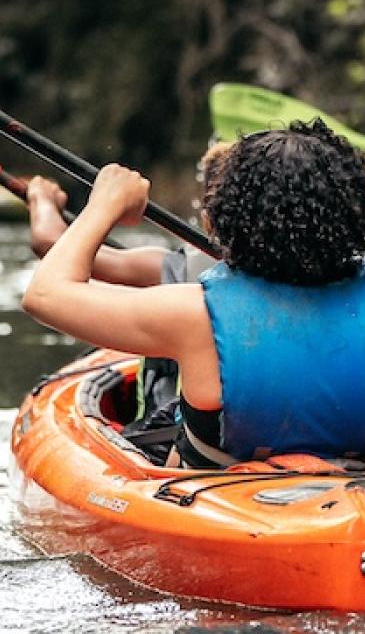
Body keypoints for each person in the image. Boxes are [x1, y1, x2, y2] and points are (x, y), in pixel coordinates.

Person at [22, 121, 365, 477]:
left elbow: (45, 294)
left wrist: (104, 205)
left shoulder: (191, 315)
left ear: (221, 222)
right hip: (353, 515)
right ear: (360, 221)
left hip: (219, 510)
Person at [24, 142, 231, 449]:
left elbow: (49, 246)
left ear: (208, 218)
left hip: (172, 443)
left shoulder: (179, 270)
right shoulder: (320, 282)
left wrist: (42, 200)